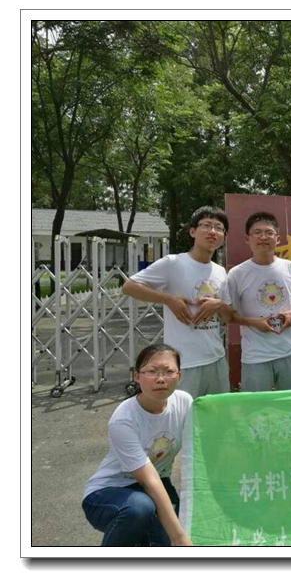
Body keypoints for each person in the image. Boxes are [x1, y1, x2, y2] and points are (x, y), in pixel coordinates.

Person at [82, 344, 193, 546]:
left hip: (157, 483)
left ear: (179, 376)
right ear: (137, 377)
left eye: (168, 371)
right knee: (140, 509)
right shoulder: (123, 420)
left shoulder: (184, 402)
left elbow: (200, 448)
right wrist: (179, 538)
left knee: (164, 541)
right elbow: (149, 480)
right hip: (108, 493)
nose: (161, 379)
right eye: (152, 371)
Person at [122, 206, 233, 398]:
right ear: (193, 231)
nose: (213, 232)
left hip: (217, 359)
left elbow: (228, 317)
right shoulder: (173, 263)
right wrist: (169, 300)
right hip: (183, 363)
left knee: (218, 414)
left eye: (219, 228)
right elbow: (129, 287)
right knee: (182, 414)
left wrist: (219, 305)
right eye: (206, 226)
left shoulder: (220, 271)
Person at [227, 212, 291, 392]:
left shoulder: (289, 267)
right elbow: (228, 315)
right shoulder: (237, 274)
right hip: (256, 356)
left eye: (269, 233)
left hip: (290, 351)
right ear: (247, 238)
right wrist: (254, 322)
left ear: (278, 239)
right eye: (257, 233)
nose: (263, 237)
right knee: (256, 407)